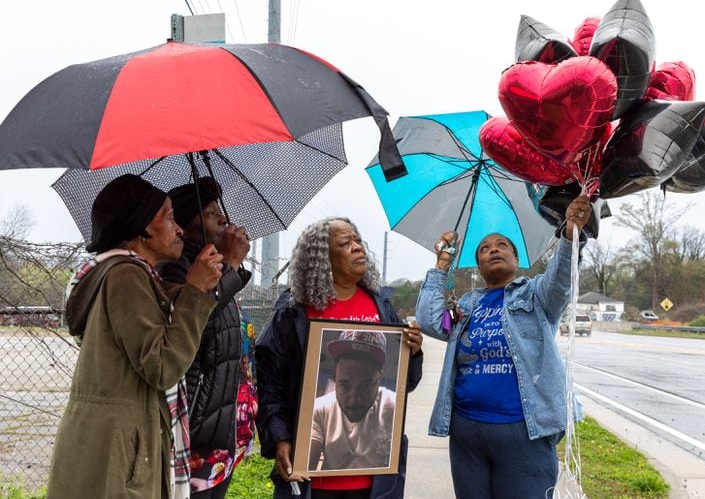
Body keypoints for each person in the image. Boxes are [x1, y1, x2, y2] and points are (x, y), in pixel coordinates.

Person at [47, 174, 223, 499]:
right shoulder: (125, 276)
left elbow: (166, 308)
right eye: (169, 218)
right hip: (118, 453)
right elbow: (162, 366)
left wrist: (203, 281)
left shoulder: (136, 276)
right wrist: (196, 289)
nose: (180, 228)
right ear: (143, 227)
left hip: (117, 444)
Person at [415, 195, 592, 499]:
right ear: (478, 264)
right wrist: (442, 265)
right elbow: (429, 321)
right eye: (484, 249)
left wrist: (570, 234)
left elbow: (561, 279)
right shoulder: (467, 306)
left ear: (515, 258)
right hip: (467, 433)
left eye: (501, 246)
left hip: (523, 432)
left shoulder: (536, 295)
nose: (493, 249)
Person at [255, 217, 424, 499]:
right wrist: (280, 437)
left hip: (373, 480)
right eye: (346, 243)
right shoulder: (294, 311)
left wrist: (414, 352)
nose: (358, 248)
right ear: (322, 259)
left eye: (358, 240)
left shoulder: (381, 305)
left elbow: (404, 382)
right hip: (312, 478)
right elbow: (272, 382)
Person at [158, 177, 254, 498]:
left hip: (218, 429)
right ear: (185, 225)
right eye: (212, 213)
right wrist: (231, 263)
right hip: (194, 433)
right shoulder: (174, 271)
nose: (224, 219)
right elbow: (194, 317)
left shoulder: (214, 271)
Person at [309, 330, 396, 472]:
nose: (354, 397)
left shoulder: (395, 408)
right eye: (345, 385)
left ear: (379, 377)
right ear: (334, 377)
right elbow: (305, 467)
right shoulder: (319, 409)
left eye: (366, 385)